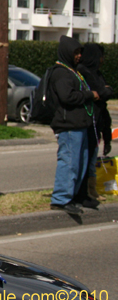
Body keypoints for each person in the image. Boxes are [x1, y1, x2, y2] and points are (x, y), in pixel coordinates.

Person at [49, 35, 99, 215]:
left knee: (81, 162)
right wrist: (89, 95)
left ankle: (73, 196)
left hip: (80, 124)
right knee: (69, 162)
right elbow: (67, 97)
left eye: (80, 52)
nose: (79, 56)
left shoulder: (73, 71)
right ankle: (61, 198)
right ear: (67, 53)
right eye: (76, 52)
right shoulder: (61, 72)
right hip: (68, 125)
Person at [74, 42, 112, 207]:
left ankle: (91, 190)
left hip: (99, 120)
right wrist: (104, 91)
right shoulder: (83, 71)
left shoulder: (96, 73)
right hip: (89, 121)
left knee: (92, 156)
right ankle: (87, 191)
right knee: (87, 157)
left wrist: (105, 91)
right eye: (101, 56)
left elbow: (105, 94)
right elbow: (100, 92)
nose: (102, 60)